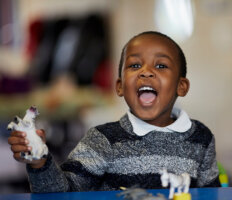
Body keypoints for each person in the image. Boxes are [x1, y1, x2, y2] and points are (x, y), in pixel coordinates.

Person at [7, 31, 220, 193]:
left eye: (161, 66)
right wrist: (40, 162)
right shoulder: (102, 140)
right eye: (135, 65)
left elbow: (211, 194)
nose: (146, 72)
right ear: (119, 86)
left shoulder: (201, 138)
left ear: (181, 86)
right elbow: (63, 193)